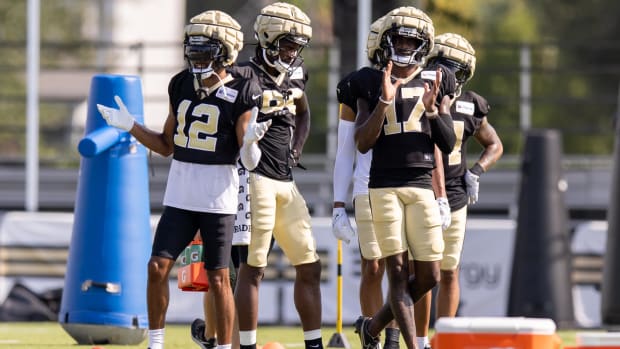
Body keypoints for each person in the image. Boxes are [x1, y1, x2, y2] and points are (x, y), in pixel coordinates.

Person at [96, 10, 263, 349]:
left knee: (218, 278)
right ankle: (156, 344)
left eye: (206, 50)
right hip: (181, 193)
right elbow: (166, 145)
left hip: (218, 195)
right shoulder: (181, 83)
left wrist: (250, 144)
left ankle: (224, 346)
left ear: (225, 52)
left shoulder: (244, 88)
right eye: (194, 49)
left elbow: (247, 160)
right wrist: (131, 126)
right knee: (157, 267)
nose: (197, 56)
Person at [350, 6, 457, 349]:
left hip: (422, 183)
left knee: (429, 275)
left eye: (412, 41)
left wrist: (431, 110)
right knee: (396, 272)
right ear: (386, 41)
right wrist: (383, 100)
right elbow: (362, 143)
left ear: (423, 45)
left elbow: (448, 141)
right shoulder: (368, 80)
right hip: (383, 186)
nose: (405, 46)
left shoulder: (436, 79)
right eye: (399, 39)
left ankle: (373, 326)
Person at [230, 3, 324, 349]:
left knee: (310, 266)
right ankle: (246, 345)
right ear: (267, 38)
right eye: (286, 44)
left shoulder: (297, 73)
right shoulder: (243, 76)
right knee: (252, 270)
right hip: (253, 180)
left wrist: (296, 150)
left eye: (296, 46)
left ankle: (314, 344)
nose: (292, 52)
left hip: (285, 181)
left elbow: (303, 112)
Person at [411, 32, 504, 349]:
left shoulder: (470, 103)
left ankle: (444, 339)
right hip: (421, 191)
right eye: (444, 67)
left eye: (456, 70)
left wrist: (477, 171)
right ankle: (421, 340)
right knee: (421, 273)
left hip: (455, 196)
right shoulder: (412, 95)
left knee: (449, 271)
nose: (449, 76)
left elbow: (494, 144)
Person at [332, 16, 402, 349]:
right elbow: (346, 150)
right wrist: (337, 204)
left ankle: (397, 336)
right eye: (397, 41)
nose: (404, 48)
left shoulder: (422, 79)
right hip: (368, 185)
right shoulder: (360, 84)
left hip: (407, 184)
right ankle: (371, 336)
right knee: (373, 267)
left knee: (404, 268)